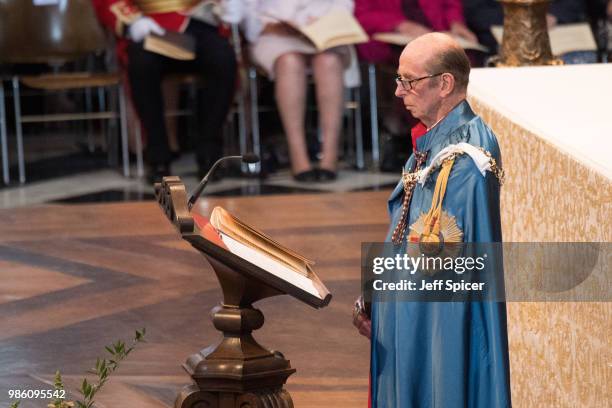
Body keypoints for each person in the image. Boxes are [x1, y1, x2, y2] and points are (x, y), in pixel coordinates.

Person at [353, 33, 511, 407]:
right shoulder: (435, 140)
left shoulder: (462, 160)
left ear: (444, 84)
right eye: (399, 80)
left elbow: (438, 265)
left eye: (408, 81)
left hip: (439, 326)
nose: (398, 92)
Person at [92, 0, 237, 183]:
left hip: (197, 21)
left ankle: (210, 153)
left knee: (223, 59)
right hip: (151, 24)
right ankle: (158, 156)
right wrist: (133, 21)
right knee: (141, 64)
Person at [237, 0, 354, 182]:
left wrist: (324, 21)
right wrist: (269, 25)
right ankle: (298, 155)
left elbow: (344, 4)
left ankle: (330, 156)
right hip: (274, 34)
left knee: (328, 61)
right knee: (289, 62)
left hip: (324, 32)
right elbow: (245, 9)